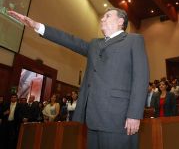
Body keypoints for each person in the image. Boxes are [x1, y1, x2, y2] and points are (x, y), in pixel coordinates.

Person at [8, 8, 149, 149]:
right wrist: (37, 26)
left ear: (120, 21)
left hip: (119, 118)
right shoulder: (95, 44)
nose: (102, 19)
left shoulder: (133, 40)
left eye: (107, 16)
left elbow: (141, 79)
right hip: (92, 118)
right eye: (102, 16)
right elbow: (70, 40)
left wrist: (134, 114)